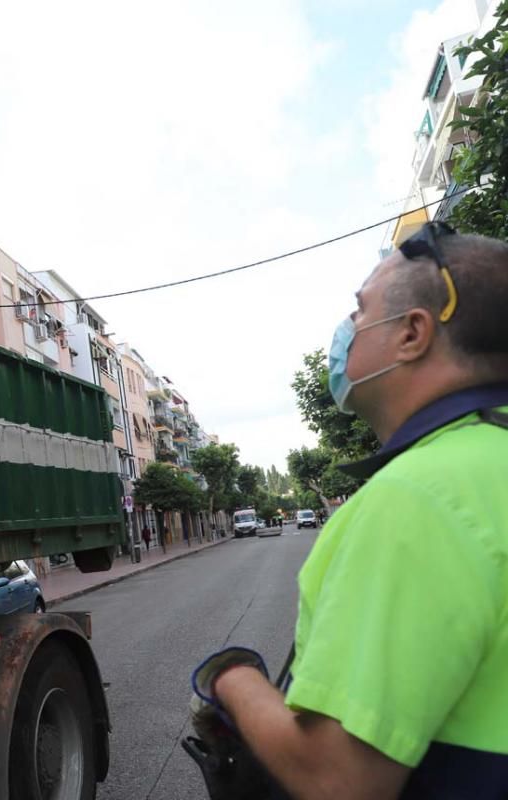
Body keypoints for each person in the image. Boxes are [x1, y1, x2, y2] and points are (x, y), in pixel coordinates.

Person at [189, 223, 508, 798]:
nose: (347, 331)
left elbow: (338, 777)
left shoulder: (419, 496)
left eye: (359, 312)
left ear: (413, 333)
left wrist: (230, 679)